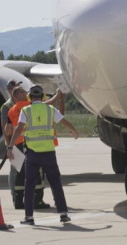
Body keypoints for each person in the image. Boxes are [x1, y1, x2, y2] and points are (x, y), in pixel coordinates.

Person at [8, 85, 79, 225]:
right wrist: (73, 130)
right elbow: (63, 120)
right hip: (49, 154)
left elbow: (19, 129)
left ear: (29, 97)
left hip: (33, 154)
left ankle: (29, 217)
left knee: (29, 185)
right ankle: (63, 214)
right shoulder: (50, 109)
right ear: (42, 97)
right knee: (55, 183)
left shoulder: (26, 111)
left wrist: (10, 146)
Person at [3, 84, 50, 210]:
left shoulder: (11, 110)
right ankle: (37, 201)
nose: (26, 93)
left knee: (19, 174)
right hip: (28, 144)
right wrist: (58, 96)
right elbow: (45, 105)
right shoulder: (26, 106)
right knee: (36, 172)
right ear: (17, 95)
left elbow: (7, 130)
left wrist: (9, 146)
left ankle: (18, 201)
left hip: (16, 146)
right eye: (23, 92)